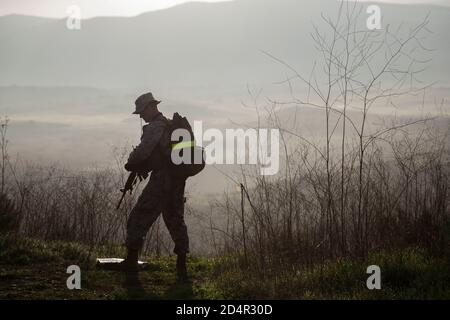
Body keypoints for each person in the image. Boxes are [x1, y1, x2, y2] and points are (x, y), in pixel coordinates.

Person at [119, 92, 189, 280]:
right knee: (175, 219)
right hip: (177, 180)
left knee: (138, 217)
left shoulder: (155, 127)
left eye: (142, 111)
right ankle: (182, 265)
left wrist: (131, 162)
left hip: (162, 180)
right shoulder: (168, 125)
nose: (141, 116)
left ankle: (131, 262)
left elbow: (142, 153)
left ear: (151, 107)